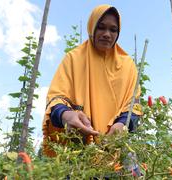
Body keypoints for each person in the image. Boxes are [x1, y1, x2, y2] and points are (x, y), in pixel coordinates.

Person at [42, 4, 142, 157]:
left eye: (113, 30)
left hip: (115, 151)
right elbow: (56, 98)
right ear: (92, 27)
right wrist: (67, 116)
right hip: (79, 150)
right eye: (101, 27)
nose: (107, 34)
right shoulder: (74, 59)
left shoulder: (128, 65)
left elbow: (133, 106)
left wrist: (122, 124)